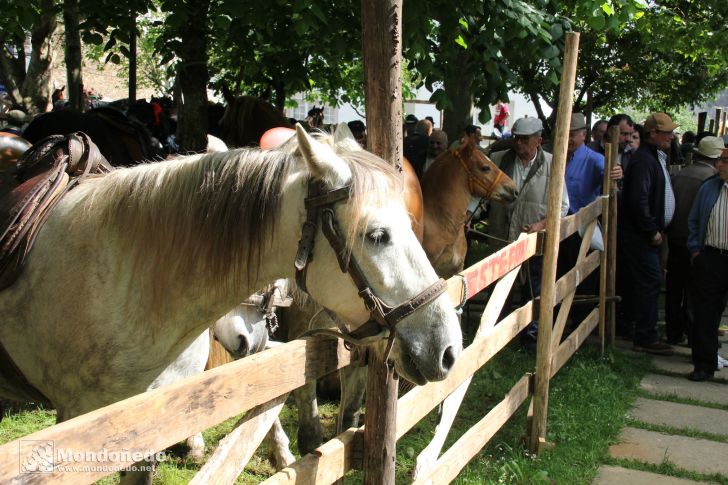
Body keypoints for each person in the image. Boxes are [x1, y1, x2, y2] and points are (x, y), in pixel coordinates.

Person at [488, 117, 570, 351]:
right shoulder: (498, 161)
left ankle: (531, 341)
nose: (519, 143)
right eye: (515, 138)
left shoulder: (553, 164)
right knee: (499, 291)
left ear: (538, 140)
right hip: (502, 238)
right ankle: (494, 339)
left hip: (534, 242)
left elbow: (563, 206)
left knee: (533, 291)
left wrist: (541, 224)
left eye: (524, 139)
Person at [619, 112, 678, 354]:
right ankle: (645, 335)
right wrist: (651, 229)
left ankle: (643, 330)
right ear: (653, 133)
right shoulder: (644, 160)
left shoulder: (653, 156)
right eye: (667, 132)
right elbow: (637, 199)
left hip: (646, 233)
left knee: (647, 281)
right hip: (640, 235)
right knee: (650, 281)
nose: (672, 136)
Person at [558, 113, 623, 325]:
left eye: (573, 134)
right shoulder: (555, 157)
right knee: (559, 273)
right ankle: (557, 318)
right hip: (558, 227)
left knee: (582, 276)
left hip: (581, 228)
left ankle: (578, 321)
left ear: (584, 135)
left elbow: (610, 173)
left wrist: (616, 172)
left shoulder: (594, 159)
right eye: (565, 134)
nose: (568, 139)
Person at [665, 136, 721, 346]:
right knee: (696, 292)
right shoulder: (712, 180)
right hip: (697, 243)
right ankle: (692, 333)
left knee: (674, 288)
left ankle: (673, 332)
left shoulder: (681, 173)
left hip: (676, 238)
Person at [686, 146, 728, 381]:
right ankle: (704, 364)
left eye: (724, 161)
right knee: (705, 314)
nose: (718, 165)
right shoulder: (709, 188)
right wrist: (695, 251)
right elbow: (693, 220)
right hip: (711, 258)